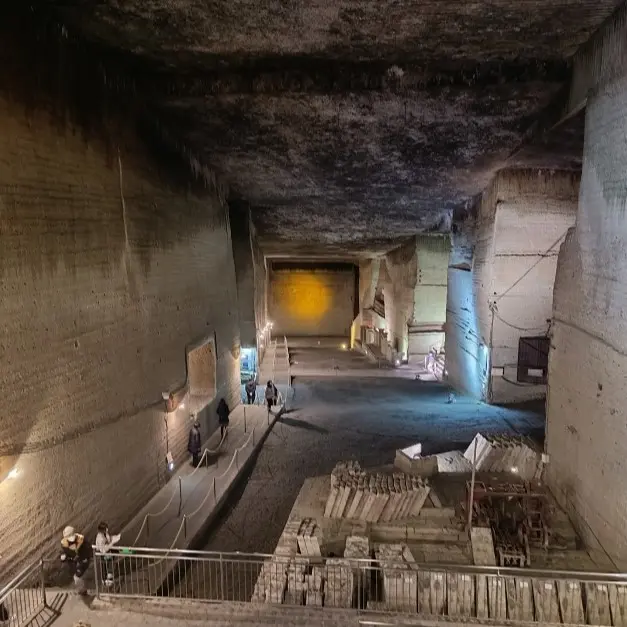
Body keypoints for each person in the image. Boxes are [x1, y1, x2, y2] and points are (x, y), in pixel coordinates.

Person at [60, 526, 92, 595]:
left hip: (82, 561)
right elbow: (65, 552)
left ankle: (82, 590)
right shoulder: (65, 543)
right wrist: (64, 557)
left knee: (77, 576)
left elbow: (87, 551)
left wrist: (84, 559)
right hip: (73, 563)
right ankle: (82, 590)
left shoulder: (82, 541)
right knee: (76, 576)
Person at [95, 522, 121, 588]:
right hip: (105, 555)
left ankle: (109, 578)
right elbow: (103, 550)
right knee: (106, 567)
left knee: (110, 564)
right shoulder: (100, 538)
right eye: (106, 528)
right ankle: (106, 581)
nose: (107, 529)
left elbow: (109, 539)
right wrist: (112, 543)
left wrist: (115, 537)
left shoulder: (105, 534)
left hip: (109, 553)